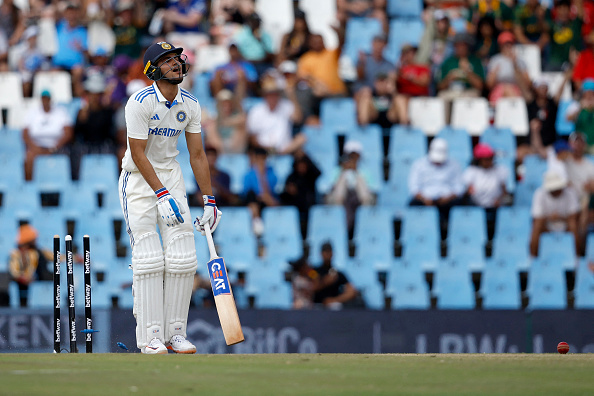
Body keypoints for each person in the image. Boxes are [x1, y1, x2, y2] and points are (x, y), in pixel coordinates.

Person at [118, 41, 222, 354]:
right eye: (167, 60)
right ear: (152, 69)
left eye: (177, 58)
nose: (175, 63)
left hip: (171, 177)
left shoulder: (190, 104)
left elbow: (198, 154)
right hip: (138, 179)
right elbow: (137, 152)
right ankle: (149, 337)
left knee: (183, 256)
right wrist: (159, 193)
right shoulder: (139, 102)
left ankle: (175, 333)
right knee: (149, 257)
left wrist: (209, 200)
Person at [409, 138, 465, 229]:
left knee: (460, 205)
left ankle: (452, 232)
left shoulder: (454, 165)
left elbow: (459, 187)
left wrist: (448, 198)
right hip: (425, 200)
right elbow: (414, 187)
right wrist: (424, 198)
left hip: (447, 200)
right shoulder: (418, 164)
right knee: (413, 204)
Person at [296, 22, 347, 121]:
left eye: (320, 41)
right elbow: (303, 77)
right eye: (314, 42)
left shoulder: (331, 53)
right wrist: (318, 85)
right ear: (310, 43)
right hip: (316, 96)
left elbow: (342, 43)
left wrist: (338, 32)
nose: (317, 44)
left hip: (336, 92)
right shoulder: (306, 58)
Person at [22, 90, 74, 180]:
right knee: (29, 157)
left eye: (47, 99)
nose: (45, 101)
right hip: (37, 146)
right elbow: (25, 134)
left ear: (50, 99)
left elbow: (68, 133)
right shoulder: (32, 113)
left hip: (57, 147)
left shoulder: (61, 112)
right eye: (43, 99)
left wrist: (55, 147)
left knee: (67, 156)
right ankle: (29, 186)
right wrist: (34, 147)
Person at [326, 140, 374, 238]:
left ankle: (365, 220)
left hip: (359, 199)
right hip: (342, 200)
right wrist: (344, 171)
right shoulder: (337, 171)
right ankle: (339, 220)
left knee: (361, 182)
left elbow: (371, 190)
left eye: (355, 156)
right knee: (342, 182)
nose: (352, 159)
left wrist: (356, 172)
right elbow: (331, 188)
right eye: (350, 156)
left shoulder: (365, 171)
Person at [246, 77, 305, 154]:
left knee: (302, 138)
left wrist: (292, 95)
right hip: (263, 150)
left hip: (285, 149)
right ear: (265, 96)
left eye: (275, 94)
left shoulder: (286, 105)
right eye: (270, 94)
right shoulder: (256, 111)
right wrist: (265, 148)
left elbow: (298, 119)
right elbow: (252, 137)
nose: (272, 97)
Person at [530, 169, 580, 257]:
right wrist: (550, 218)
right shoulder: (539, 194)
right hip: (546, 227)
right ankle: (533, 258)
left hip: (565, 225)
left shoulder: (570, 193)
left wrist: (560, 218)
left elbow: (574, 216)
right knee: (536, 226)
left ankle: (576, 256)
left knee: (573, 225)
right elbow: (536, 218)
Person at [8, 224, 52, 307]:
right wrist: (22, 277)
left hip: (36, 280)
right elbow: (13, 271)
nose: (36, 240)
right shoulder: (15, 254)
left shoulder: (38, 252)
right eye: (34, 238)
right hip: (20, 283)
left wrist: (73, 258)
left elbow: (56, 256)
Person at [564, 132, 594, 251]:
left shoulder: (590, 165)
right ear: (570, 144)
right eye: (576, 142)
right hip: (567, 199)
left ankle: (579, 248)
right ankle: (578, 248)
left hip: (582, 200)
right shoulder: (564, 161)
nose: (578, 145)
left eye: (581, 142)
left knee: (584, 206)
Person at [280, 151, 321, 237]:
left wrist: (306, 155)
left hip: (309, 208)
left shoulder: (310, 176)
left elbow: (318, 172)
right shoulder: (291, 177)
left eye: (304, 165)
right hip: (295, 208)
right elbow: (285, 193)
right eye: (300, 165)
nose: (302, 167)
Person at [52, 3, 88, 97]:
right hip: (59, 65)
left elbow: (87, 51)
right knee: (53, 73)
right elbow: (54, 13)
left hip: (75, 66)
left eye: (73, 13)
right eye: (69, 13)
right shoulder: (59, 27)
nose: (71, 16)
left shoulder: (82, 31)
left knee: (78, 71)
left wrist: (80, 48)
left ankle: (78, 99)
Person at [486, 32, 532, 104]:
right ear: (500, 46)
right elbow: (489, 84)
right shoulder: (495, 60)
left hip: (518, 89)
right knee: (506, 89)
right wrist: (495, 73)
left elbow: (528, 84)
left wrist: (515, 64)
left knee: (511, 91)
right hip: (499, 90)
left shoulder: (520, 61)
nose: (507, 47)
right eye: (505, 44)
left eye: (510, 44)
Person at [243, 146, 279, 236]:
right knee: (251, 196)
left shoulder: (271, 173)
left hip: (267, 200)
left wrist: (262, 176)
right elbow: (247, 192)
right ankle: (257, 221)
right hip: (255, 200)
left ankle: (259, 223)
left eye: (262, 159)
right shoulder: (248, 175)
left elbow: (269, 191)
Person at [463, 143, 509, 213]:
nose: (489, 161)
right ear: (479, 160)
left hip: (495, 207)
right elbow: (467, 192)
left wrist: (500, 200)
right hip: (476, 207)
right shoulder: (471, 171)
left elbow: (504, 191)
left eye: (491, 158)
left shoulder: (499, 171)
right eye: (486, 159)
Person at [313, 242, 358, 309]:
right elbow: (310, 287)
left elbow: (352, 292)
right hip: (315, 306)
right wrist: (324, 282)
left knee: (335, 306)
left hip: (333, 306)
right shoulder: (314, 271)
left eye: (329, 251)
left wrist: (334, 300)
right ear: (321, 254)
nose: (327, 254)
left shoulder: (337, 273)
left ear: (332, 253)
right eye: (325, 252)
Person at [394, 45, 431, 125]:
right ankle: (404, 121)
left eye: (413, 53)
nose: (411, 55)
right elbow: (394, 86)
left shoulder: (423, 67)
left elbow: (425, 82)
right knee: (400, 99)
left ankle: (405, 123)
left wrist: (411, 78)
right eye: (408, 53)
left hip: (420, 96)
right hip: (404, 96)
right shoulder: (400, 70)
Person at [203, 88, 247, 154]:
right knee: (210, 128)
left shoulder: (237, 115)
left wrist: (225, 122)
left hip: (235, 146)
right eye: (223, 104)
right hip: (220, 145)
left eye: (228, 103)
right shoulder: (214, 115)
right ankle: (220, 154)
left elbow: (243, 119)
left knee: (241, 129)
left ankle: (232, 154)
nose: (226, 106)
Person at [548, 0, 583, 71]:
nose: (563, 11)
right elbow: (542, 26)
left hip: (574, 64)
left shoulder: (575, 24)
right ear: (556, 10)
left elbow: (580, 10)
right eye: (560, 8)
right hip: (555, 64)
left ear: (570, 10)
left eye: (565, 8)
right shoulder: (552, 26)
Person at [566, 79, 594, 149]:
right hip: (580, 143)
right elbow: (568, 118)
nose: (589, 95)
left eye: (591, 93)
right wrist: (580, 108)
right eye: (587, 93)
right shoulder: (576, 104)